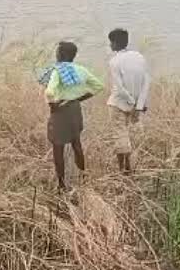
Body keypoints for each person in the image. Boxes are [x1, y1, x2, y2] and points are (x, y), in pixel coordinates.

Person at [44, 41, 105, 192]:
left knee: (58, 147)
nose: (56, 54)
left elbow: (49, 92)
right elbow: (99, 86)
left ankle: (61, 184)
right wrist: (79, 99)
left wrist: (53, 105)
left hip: (61, 110)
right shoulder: (81, 70)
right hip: (75, 109)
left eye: (58, 52)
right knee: (76, 143)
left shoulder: (58, 71)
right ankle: (83, 176)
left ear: (61, 55)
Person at [106, 28, 151, 175]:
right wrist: (139, 105)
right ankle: (129, 168)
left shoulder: (114, 61)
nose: (110, 45)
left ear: (114, 43)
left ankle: (124, 171)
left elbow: (119, 88)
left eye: (110, 42)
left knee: (120, 135)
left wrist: (131, 102)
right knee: (130, 134)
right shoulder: (139, 57)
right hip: (136, 105)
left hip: (118, 103)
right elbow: (146, 82)